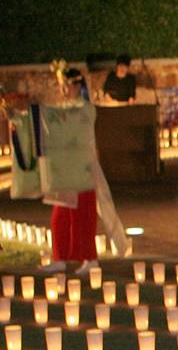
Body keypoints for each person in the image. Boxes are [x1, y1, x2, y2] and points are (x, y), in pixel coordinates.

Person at [39, 69, 129, 274]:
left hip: (83, 167)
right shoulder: (68, 108)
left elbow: (73, 127)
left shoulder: (86, 109)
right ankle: (60, 257)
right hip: (67, 167)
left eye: (68, 85)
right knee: (61, 215)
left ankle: (90, 258)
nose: (65, 89)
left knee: (84, 215)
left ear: (77, 86)